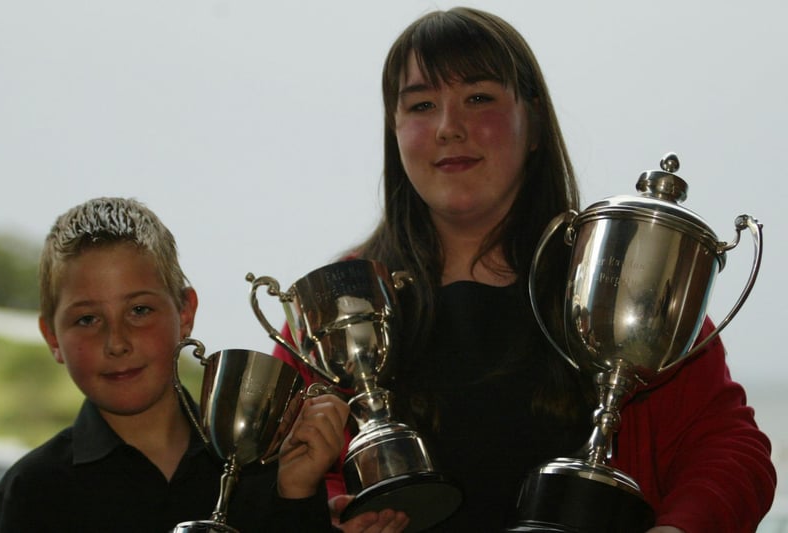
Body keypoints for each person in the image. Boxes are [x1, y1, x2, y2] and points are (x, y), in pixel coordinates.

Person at [274, 7, 777, 533]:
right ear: (394, 133)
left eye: (479, 98)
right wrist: (328, 509)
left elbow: (728, 447)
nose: (449, 128)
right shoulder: (340, 301)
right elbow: (281, 463)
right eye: (421, 105)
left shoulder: (616, 280)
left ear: (534, 122)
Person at [0, 197, 353, 533]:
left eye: (139, 310)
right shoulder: (30, 493)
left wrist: (298, 497)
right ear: (52, 336)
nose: (116, 342)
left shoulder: (269, 474)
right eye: (87, 320)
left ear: (185, 312)